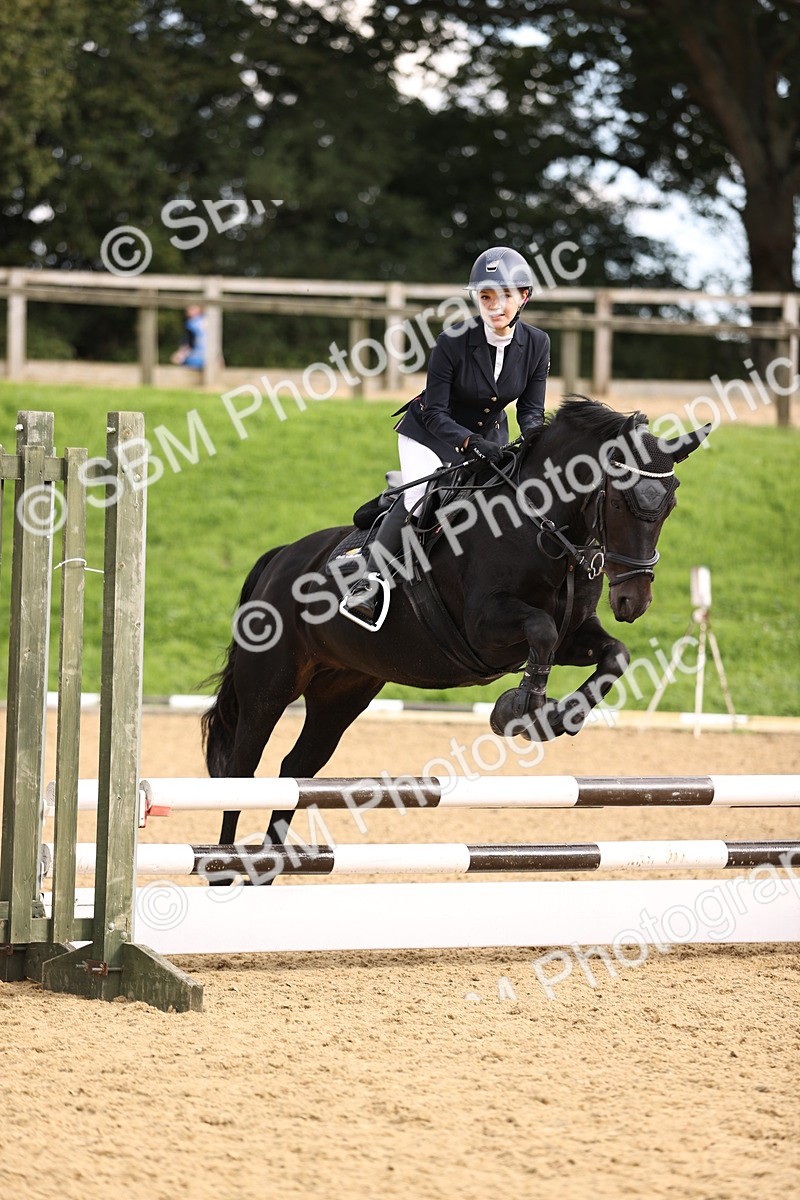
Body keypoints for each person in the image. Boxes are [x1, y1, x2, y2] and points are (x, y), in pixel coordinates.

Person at [342, 245, 551, 625]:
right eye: (485, 297)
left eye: (504, 296)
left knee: (500, 500)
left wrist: (536, 443)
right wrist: (471, 443)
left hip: (491, 434)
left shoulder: (537, 344)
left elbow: (530, 411)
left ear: (523, 296)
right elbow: (435, 412)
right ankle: (367, 580)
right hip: (430, 432)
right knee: (421, 497)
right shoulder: (452, 342)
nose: (494, 306)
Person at [170, 304, 207, 369]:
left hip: (196, 358)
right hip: (209, 358)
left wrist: (180, 354)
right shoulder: (209, 321)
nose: (188, 309)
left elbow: (188, 344)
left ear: (200, 310)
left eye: (192, 308)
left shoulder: (191, 324)